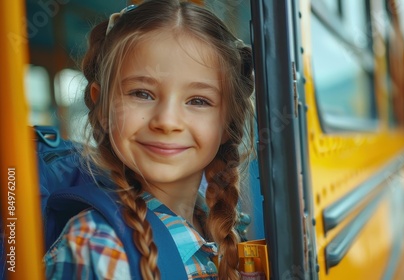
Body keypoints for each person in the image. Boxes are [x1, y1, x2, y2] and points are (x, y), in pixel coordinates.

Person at [43, 0, 255, 279]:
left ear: (229, 122)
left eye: (198, 100)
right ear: (102, 107)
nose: (166, 121)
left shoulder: (217, 223)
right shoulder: (97, 246)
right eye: (142, 94)